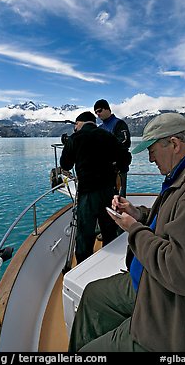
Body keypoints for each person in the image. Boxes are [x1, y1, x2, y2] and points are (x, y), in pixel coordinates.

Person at [68, 112, 185, 352]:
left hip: (174, 311)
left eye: (151, 150)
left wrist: (134, 230)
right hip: (150, 277)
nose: (150, 159)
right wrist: (139, 214)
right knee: (93, 294)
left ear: (173, 144)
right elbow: (174, 220)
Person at [60, 111, 128, 265]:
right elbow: (125, 158)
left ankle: (84, 268)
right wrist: (115, 168)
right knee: (109, 231)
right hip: (108, 192)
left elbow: (65, 164)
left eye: (76, 124)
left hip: (87, 194)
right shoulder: (107, 136)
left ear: (80, 123)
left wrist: (68, 144)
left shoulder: (75, 139)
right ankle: (109, 265)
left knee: (85, 235)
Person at [94, 99, 131, 196]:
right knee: (106, 196)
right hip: (105, 169)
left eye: (99, 110)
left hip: (119, 168)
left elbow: (125, 142)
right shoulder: (100, 128)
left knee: (119, 197)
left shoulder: (119, 124)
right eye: (96, 112)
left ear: (107, 109)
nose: (98, 114)